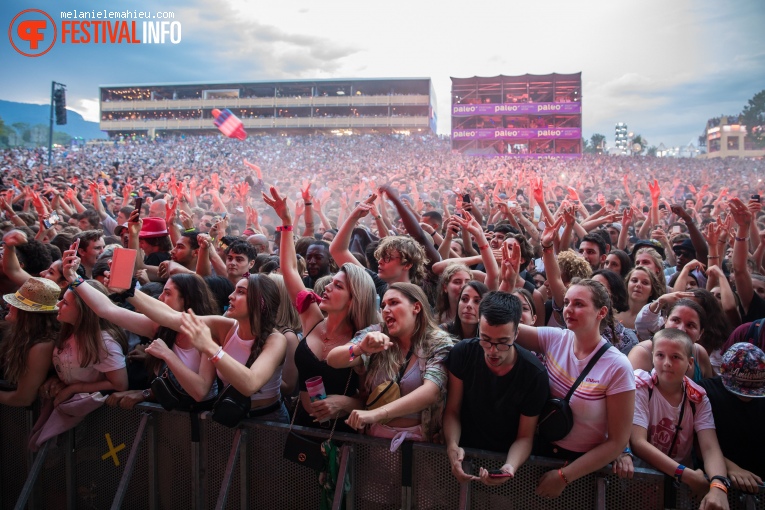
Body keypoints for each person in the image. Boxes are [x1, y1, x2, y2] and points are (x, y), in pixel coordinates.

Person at [263, 185, 378, 431]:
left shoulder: (364, 338)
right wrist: (285, 222)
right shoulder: (312, 317)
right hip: (302, 426)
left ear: (354, 298)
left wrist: (347, 403)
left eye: (337, 286)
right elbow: (290, 270)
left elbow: (373, 397)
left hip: (343, 434)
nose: (326, 288)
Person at [514, 279, 635, 499]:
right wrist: (504, 281)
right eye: (567, 302)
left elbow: (617, 441)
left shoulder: (618, 367)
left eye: (579, 304)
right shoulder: (555, 338)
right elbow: (505, 326)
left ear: (601, 312)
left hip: (583, 471)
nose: (569, 309)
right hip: (539, 454)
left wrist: (563, 476)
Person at [62, 249, 220, 409]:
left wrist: (167, 355)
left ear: (186, 300)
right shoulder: (161, 328)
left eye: (167, 293)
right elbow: (107, 310)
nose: (160, 298)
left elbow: (201, 392)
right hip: (169, 418)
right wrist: (73, 278)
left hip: (202, 424)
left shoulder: (208, 335)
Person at [130, 272, 289, 422]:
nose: (231, 296)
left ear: (260, 302)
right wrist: (129, 291)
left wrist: (209, 347)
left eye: (240, 292)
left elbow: (250, 384)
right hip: (232, 419)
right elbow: (170, 317)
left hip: (268, 420)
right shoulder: (226, 326)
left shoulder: (276, 340)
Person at [327, 282, 453, 446]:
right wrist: (360, 348)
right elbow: (332, 359)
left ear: (416, 307)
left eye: (394, 303)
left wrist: (376, 414)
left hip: (421, 446)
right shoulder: (377, 333)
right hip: (375, 442)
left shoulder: (438, 341)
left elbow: (431, 392)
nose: (386, 309)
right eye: (383, 305)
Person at [444, 291, 549, 485]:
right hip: (464, 455)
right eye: (485, 339)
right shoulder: (463, 353)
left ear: (516, 333)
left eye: (502, 343)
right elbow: (452, 410)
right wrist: (452, 445)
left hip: (507, 461)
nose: (492, 351)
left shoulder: (534, 374)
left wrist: (509, 467)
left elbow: (525, 436)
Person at [618, 329, 729, 510]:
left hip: (680, 491)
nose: (667, 363)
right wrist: (686, 474)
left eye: (676, 357)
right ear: (652, 357)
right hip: (636, 483)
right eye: (660, 355)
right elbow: (638, 442)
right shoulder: (641, 386)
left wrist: (718, 486)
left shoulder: (698, 398)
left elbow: (710, 448)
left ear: (690, 363)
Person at [30, 278, 128, 450]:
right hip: (65, 413)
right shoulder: (68, 331)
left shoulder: (104, 342)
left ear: (84, 311)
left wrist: (74, 388)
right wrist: (56, 380)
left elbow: (119, 383)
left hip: (95, 422)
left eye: (66, 302)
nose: (59, 304)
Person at [699, 343, 765, 492]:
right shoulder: (706, 391)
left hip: (758, 481)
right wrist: (729, 467)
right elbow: (695, 440)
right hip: (715, 479)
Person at [0, 278, 61, 406]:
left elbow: (23, 398)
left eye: (15, 304)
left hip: (23, 420)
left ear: (27, 313)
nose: (8, 305)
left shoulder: (42, 346)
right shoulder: (13, 329)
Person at [629, 298, 714, 382]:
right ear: (665, 321)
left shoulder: (699, 353)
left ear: (700, 333)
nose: (681, 329)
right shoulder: (642, 353)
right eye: (676, 320)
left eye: (690, 325)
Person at [616, 266, 663, 331]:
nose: (638, 285)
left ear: (651, 291)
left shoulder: (655, 322)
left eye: (645, 283)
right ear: (627, 285)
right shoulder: (613, 312)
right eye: (634, 280)